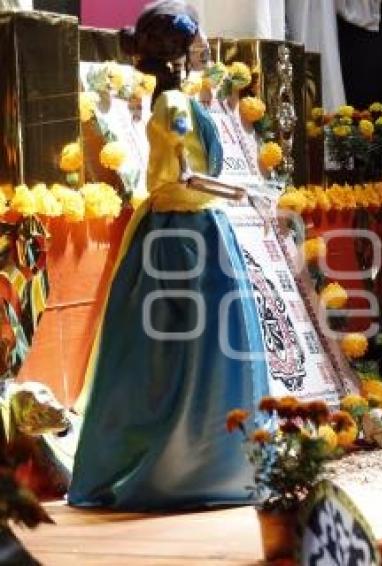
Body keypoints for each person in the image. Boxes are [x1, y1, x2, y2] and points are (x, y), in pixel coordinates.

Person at [69, 0, 269, 510]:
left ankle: (198, 460)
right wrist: (236, 193)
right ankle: (193, 466)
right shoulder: (176, 105)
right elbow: (183, 177)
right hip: (187, 231)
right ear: (182, 49)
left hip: (180, 225)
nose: (205, 46)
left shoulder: (173, 98)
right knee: (196, 345)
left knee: (172, 346)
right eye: (198, 38)